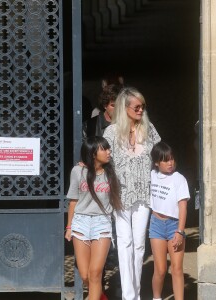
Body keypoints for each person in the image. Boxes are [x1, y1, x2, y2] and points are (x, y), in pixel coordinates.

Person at [103, 87, 161, 300]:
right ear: (124, 108)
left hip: (144, 195)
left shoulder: (149, 129)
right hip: (120, 195)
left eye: (142, 106)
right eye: (137, 107)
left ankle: (135, 293)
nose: (140, 110)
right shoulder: (111, 132)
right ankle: (129, 296)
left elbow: (159, 155)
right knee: (124, 242)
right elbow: (102, 161)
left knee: (138, 244)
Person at [65, 136, 123, 300]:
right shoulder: (77, 171)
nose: (108, 152)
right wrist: (69, 227)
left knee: (95, 272)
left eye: (108, 148)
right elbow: (73, 201)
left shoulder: (112, 172)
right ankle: (99, 296)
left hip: (101, 222)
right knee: (85, 275)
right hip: (80, 222)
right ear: (92, 153)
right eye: (103, 149)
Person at [149, 142, 190, 300]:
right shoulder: (152, 174)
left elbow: (183, 207)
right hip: (156, 225)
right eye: (166, 160)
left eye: (172, 159)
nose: (170, 163)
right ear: (157, 163)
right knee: (160, 269)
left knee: (177, 268)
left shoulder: (179, 179)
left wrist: (180, 231)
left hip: (174, 226)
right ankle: (156, 297)